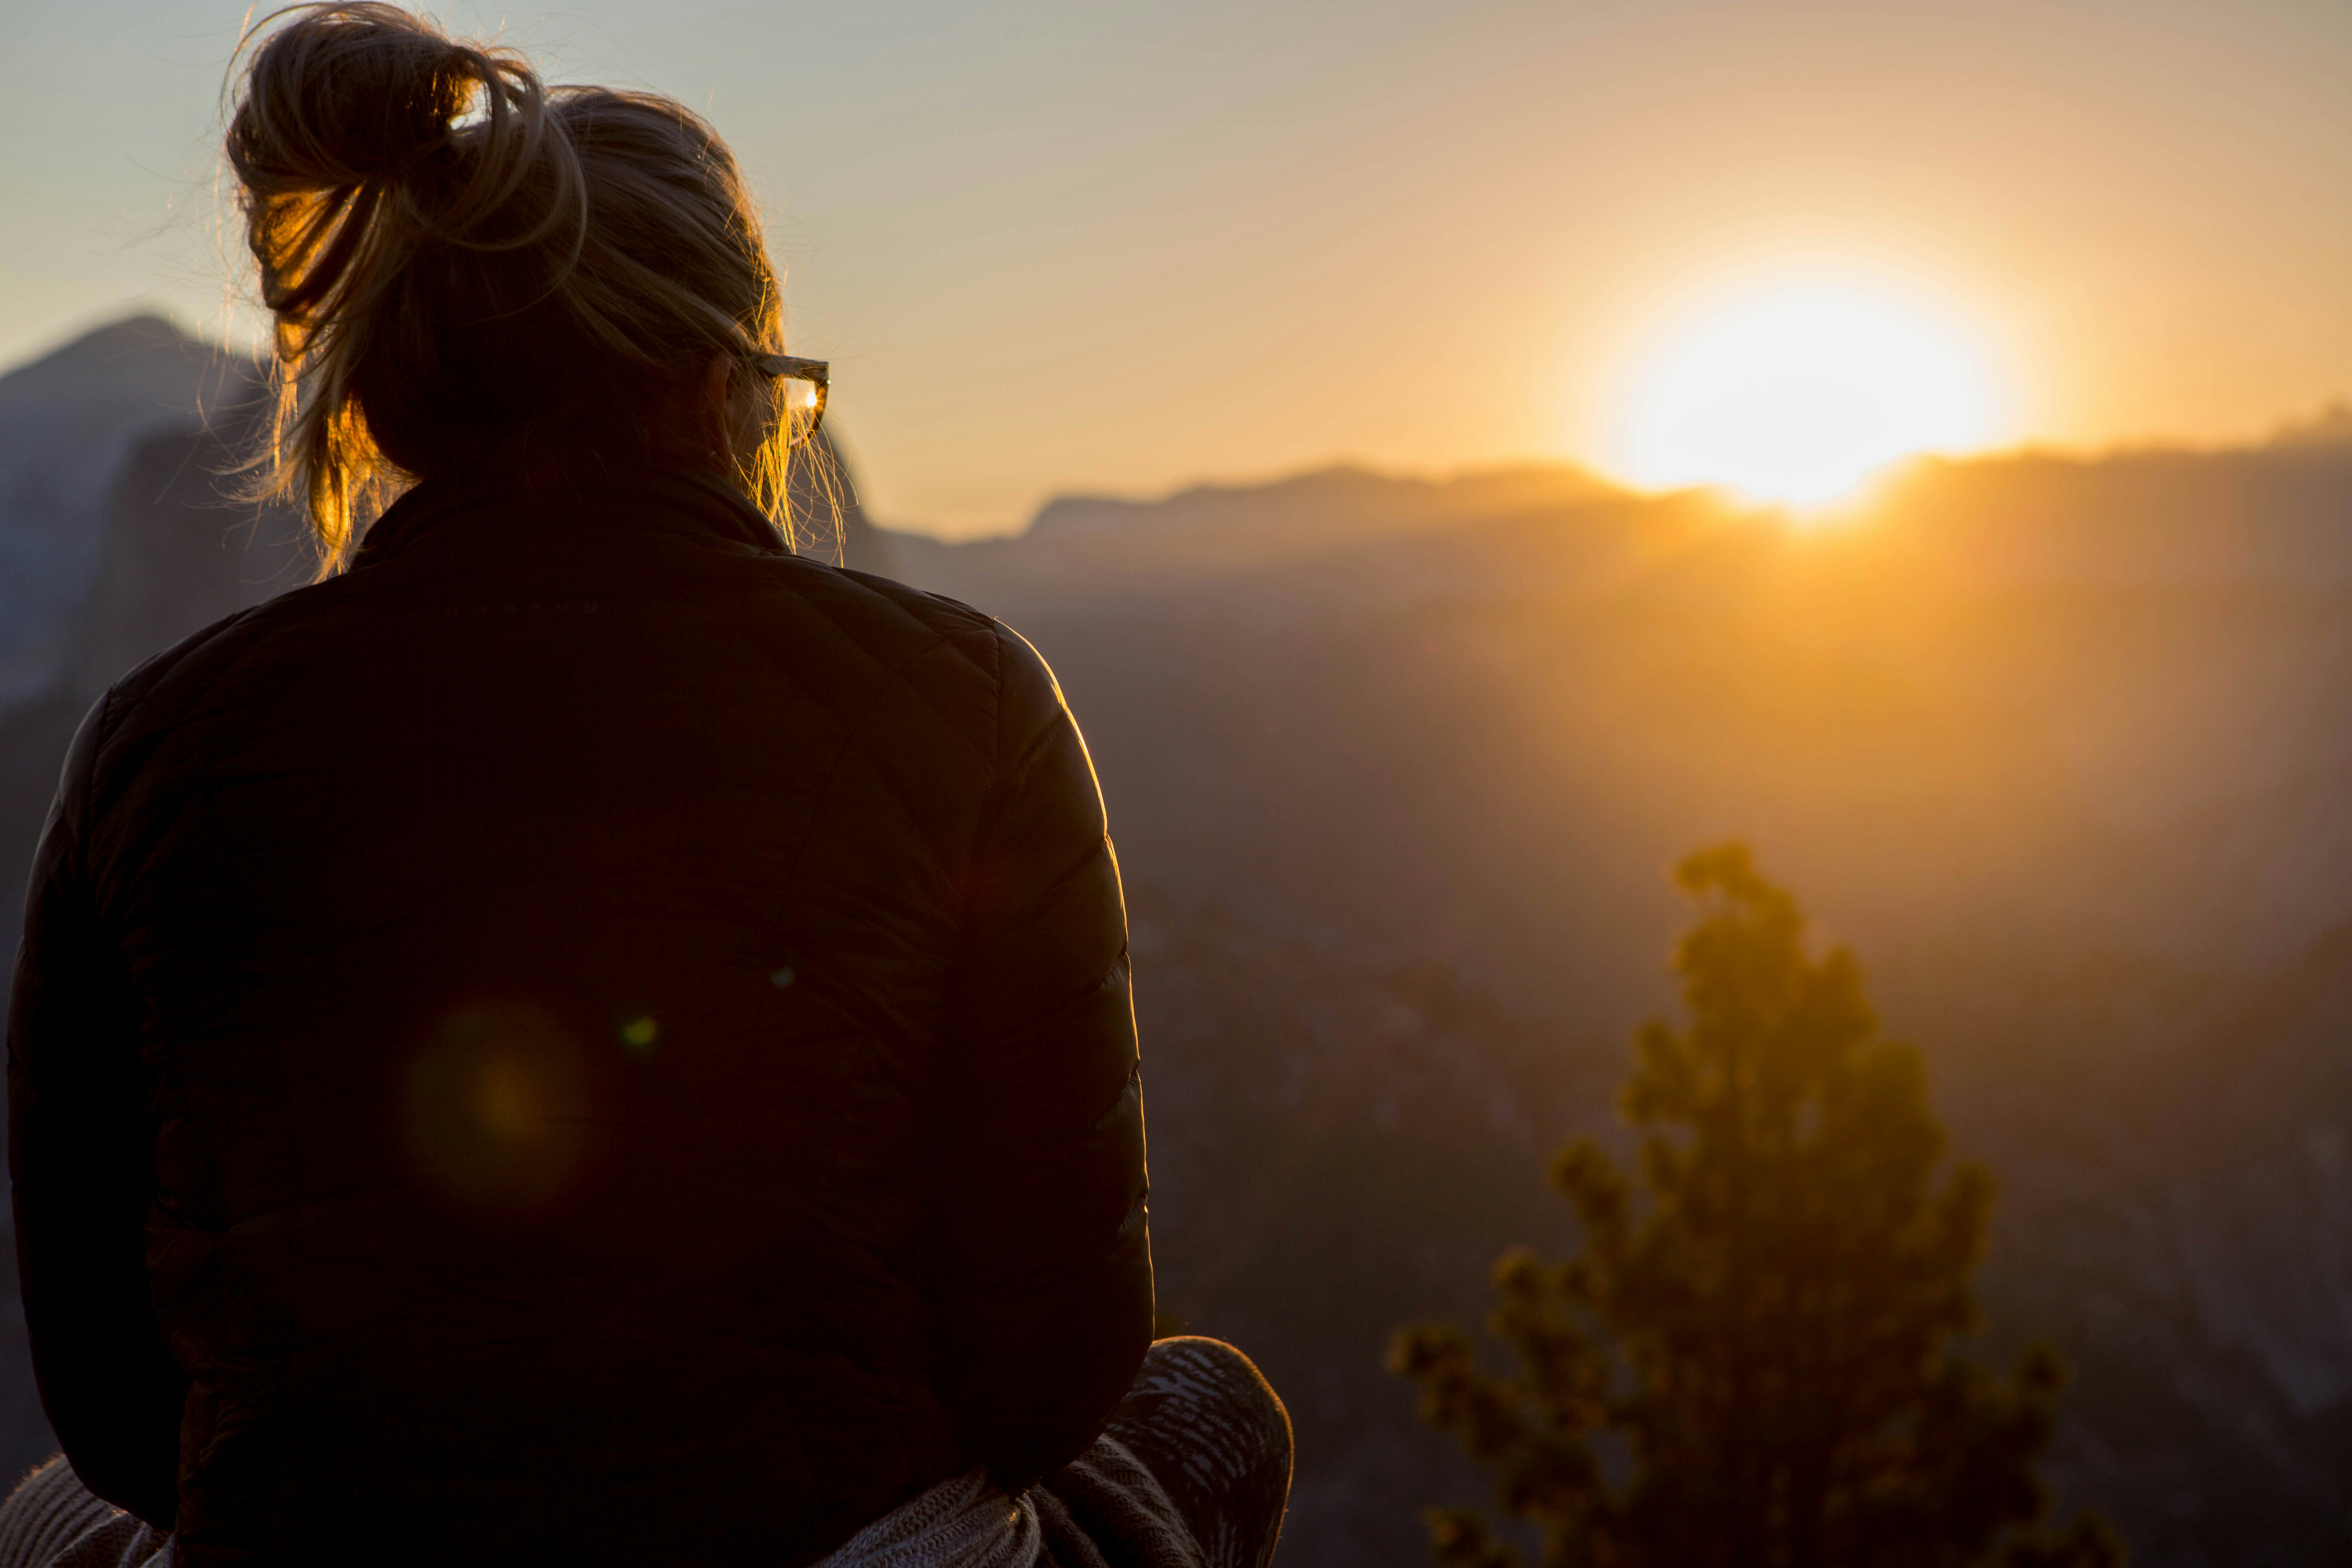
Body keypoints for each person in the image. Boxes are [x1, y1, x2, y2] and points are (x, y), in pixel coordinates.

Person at [2, 6, 1290, 1564]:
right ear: (726, 384)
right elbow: (1051, 1372)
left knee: (48, 1524)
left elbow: (122, 1416)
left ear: (393, 394)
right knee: (1207, 1414)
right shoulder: (970, 706)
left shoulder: (155, 750)